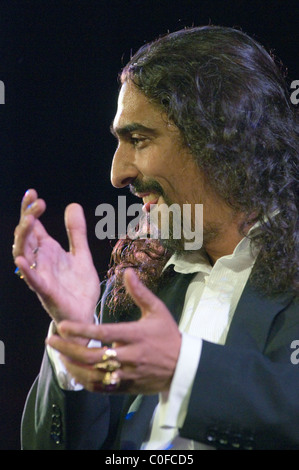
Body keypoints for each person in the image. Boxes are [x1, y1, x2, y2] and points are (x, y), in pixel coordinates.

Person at [13, 26, 298, 450]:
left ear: (219, 140)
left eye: (139, 140)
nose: (117, 173)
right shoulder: (138, 284)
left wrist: (182, 369)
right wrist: (77, 335)